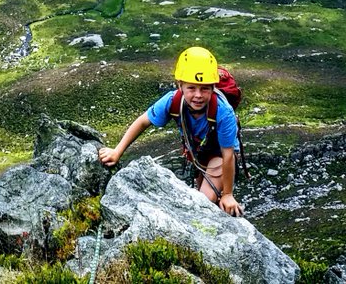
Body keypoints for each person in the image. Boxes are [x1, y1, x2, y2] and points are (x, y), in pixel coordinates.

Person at [98, 46, 243, 216]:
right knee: (201, 194)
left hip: (220, 154)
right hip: (199, 152)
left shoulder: (223, 112)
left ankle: (222, 203)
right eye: (191, 88)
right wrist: (117, 151)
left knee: (202, 201)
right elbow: (143, 122)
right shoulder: (172, 101)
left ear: (213, 87)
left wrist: (228, 194)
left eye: (205, 88)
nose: (198, 95)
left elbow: (228, 155)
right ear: (179, 85)